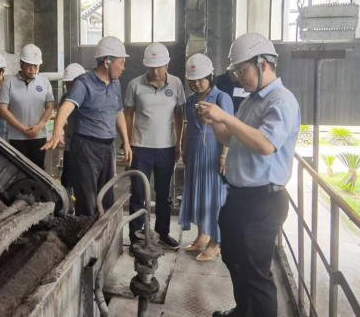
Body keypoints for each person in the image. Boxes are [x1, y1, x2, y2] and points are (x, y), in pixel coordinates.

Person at [196, 33, 300, 317]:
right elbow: (231, 139)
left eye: (242, 71)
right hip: (240, 196)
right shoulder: (252, 100)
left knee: (256, 273)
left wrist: (225, 116)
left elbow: (265, 145)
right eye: (236, 72)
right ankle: (244, 311)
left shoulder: (281, 100)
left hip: (263, 200)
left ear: (263, 64)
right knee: (233, 258)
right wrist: (213, 121)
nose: (239, 77)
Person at [41, 36, 132, 216]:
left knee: (106, 197)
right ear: (107, 62)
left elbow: (119, 113)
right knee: (87, 199)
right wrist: (57, 132)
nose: (123, 68)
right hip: (86, 148)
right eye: (121, 63)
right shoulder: (83, 83)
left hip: (108, 147)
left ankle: (104, 232)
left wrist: (127, 143)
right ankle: (85, 231)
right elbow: (65, 107)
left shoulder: (115, 84)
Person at [125, 43, 184, 250]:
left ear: (167, 64)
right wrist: (128, 143)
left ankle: (163, 233)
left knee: (163, 194)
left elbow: (178, 114)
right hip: (140, 147)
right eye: (151, 66)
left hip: (166, 148)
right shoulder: (134, 85)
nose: (156, 70)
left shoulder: (176, 84)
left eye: (159, 66)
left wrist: (178, 143)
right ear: (145, 65)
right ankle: (135, 235)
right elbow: (129, 114)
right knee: (138, 193)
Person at [178, 53, 234, 261]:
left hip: (213, 151)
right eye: (193, 80)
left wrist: (224, 156)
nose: (197, 83)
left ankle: (215, 243)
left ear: (210, 76)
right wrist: (184, 149)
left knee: (213, 198)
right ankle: (202, 235)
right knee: (198, 195)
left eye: (201, 79)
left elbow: (228, 128)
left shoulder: (221, 98)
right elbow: (188, 127)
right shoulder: (190, 100)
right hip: (194, 152)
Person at [0, 44, 54, 170]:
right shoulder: (9, 83)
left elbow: (50, 107)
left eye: (36, 66)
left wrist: (39, 126)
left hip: (39, 136)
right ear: (21, 64)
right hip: (17, 136)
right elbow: (3, 109)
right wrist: (22, 128)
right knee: (18, 171)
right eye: (29, 65)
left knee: (38, 171)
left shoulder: (44, 82)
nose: (32, 69)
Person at [59, 63, 86, 190]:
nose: (69, 88)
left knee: (84, 181)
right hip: (70, 146)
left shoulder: (88, 97)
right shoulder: (65, 98)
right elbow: (61, 116)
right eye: (67, 84)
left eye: (72, 85)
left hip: (86, 148)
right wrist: (64, 129)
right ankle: (66, 201)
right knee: (67, 179)